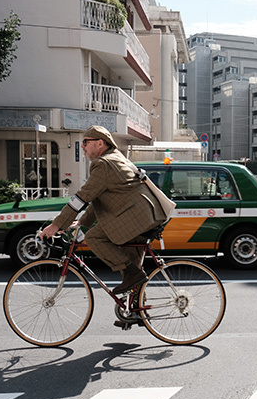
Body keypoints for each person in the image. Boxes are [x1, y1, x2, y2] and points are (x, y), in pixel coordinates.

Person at [39, 125, 167, 297]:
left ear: (100, 143)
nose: (82, 146)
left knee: (94, 238)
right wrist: (82, 222)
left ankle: (134, 276)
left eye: (85, 142)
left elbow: (82, 197)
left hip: (136, 217)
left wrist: (55, 226)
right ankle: (136, 312)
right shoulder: (116, 157)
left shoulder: (103, 164)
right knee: (130, 267)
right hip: (144, 215)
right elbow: (98, 199)